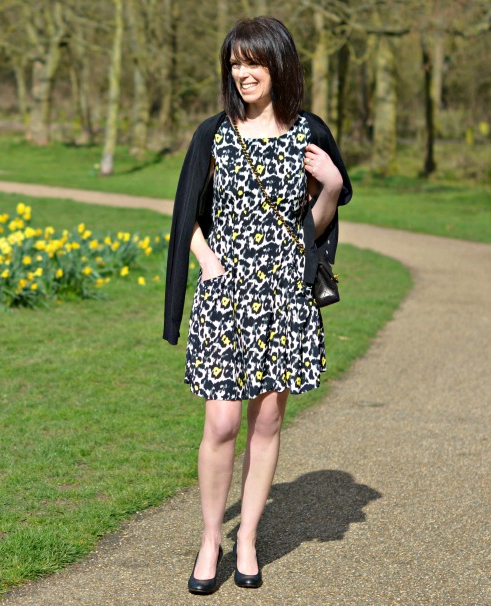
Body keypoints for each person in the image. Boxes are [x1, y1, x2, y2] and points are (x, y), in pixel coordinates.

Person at [163, 16, 352, 594]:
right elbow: (184, 217)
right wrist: (208, 261)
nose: (243, 73)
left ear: (279, 65)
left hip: (285, 295)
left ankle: (246, 538)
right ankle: (208, 541)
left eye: (254, 62)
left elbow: (312, 232)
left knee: (266, 420)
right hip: (225, 295)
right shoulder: (213, 135)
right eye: (235, 63)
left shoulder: (309, 133)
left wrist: (331, 188)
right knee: (221, 422)